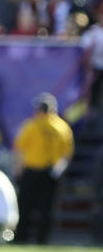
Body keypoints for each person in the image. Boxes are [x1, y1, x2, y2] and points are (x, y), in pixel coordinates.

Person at [13, 92, 74, 244]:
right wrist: (59, 170)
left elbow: (19, 149)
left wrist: (18, 169)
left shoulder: (32, 125)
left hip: (32, 170)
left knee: (25, 205)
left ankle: (22, 237)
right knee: (46, 208)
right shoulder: (62, 127)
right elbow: (67, 154)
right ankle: (42, 239)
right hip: (50, 172)